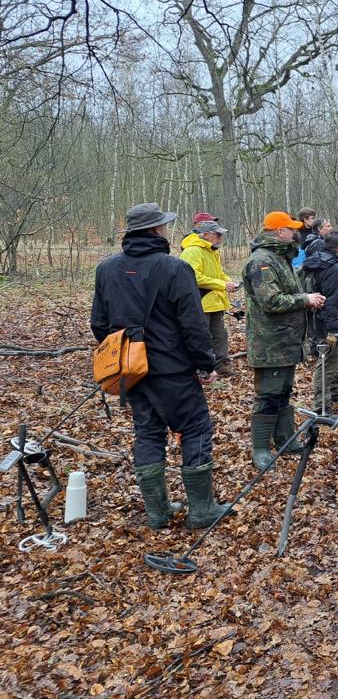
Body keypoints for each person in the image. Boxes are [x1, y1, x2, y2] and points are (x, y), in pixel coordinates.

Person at [91, 203, 231, 530]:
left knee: (148, 434)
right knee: (195, 428)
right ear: (156, 230)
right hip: (174, 370)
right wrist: (204, 364)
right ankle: (202, 510)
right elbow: (194, 326)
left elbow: (99, 325)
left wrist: (127, 351)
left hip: (131, 372)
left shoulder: (107, 269)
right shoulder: (175, 268)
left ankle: (158, 512)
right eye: (165, 226)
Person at [243, 211, 327, 469]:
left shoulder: (280, 258)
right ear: (280, 232)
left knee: (283, 392)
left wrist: (306, 299)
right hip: (269, 343)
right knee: (268, 395)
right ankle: (260, 448)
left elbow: (288, 293)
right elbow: (271, 301)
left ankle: (284, 439)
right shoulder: (261, 261)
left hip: (286, 341)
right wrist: (305, 300)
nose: (295, 233)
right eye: (291, 229)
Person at [179, 216, 239, 376]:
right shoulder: (192, 251)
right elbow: (194, 277)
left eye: (220, 234)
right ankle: (200, 369)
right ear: (205, 234)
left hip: (216, 302)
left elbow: (218, 273)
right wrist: (221, 285)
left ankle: (220, 366)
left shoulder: (212, 251)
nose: (220, 237)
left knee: (219, 335)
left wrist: (229, 282)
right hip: (200, 303)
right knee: (200, 336)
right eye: (216, 234)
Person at [302, 231, 338, 413]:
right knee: (327, 364)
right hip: (330, 324)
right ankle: (321, 406)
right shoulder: (334, 270)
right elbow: (331, 301)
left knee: (337, 360)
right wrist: (333, 330)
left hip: (333, 322)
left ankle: (337, 394)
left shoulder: (328, 264)